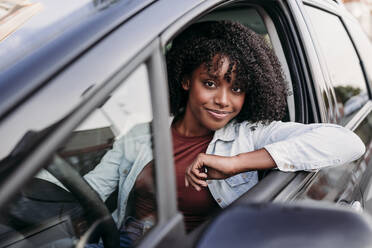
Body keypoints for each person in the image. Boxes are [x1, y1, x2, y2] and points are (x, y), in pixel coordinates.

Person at [84, 21, 365, 247]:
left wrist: (237, 162)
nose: (223, 100)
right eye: (209, 83)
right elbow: (90, 189)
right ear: (185, 80)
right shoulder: (141, 135)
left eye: (237, 88)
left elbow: (347, 142)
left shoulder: (250, 135)